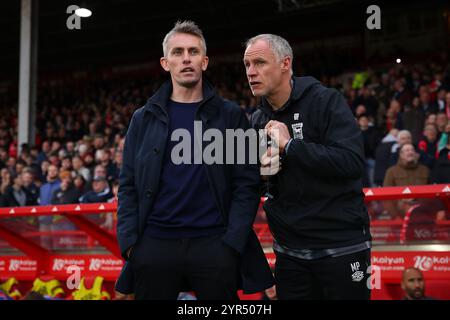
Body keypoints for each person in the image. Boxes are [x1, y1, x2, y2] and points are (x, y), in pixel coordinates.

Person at [115, 21, 273, 300]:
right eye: (177, 52)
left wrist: (232, 244)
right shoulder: (143, 118)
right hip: (154, 245)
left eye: (193, 51)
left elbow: (246, 184)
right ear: (166, 63)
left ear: (205, 61)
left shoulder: (231, 115)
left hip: (214, 245)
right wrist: (130, 244)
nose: (186, 58)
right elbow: (127, 184)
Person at [244, 34, 372, 299]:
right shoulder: (257, 119)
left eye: (259, 63)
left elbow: (351, 162)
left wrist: (290, 146)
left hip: (341, 246)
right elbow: (252, 185)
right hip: (289, 253)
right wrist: (261, 174)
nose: (251, 72)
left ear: (285, 64)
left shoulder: (326, 101)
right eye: (247, 65)